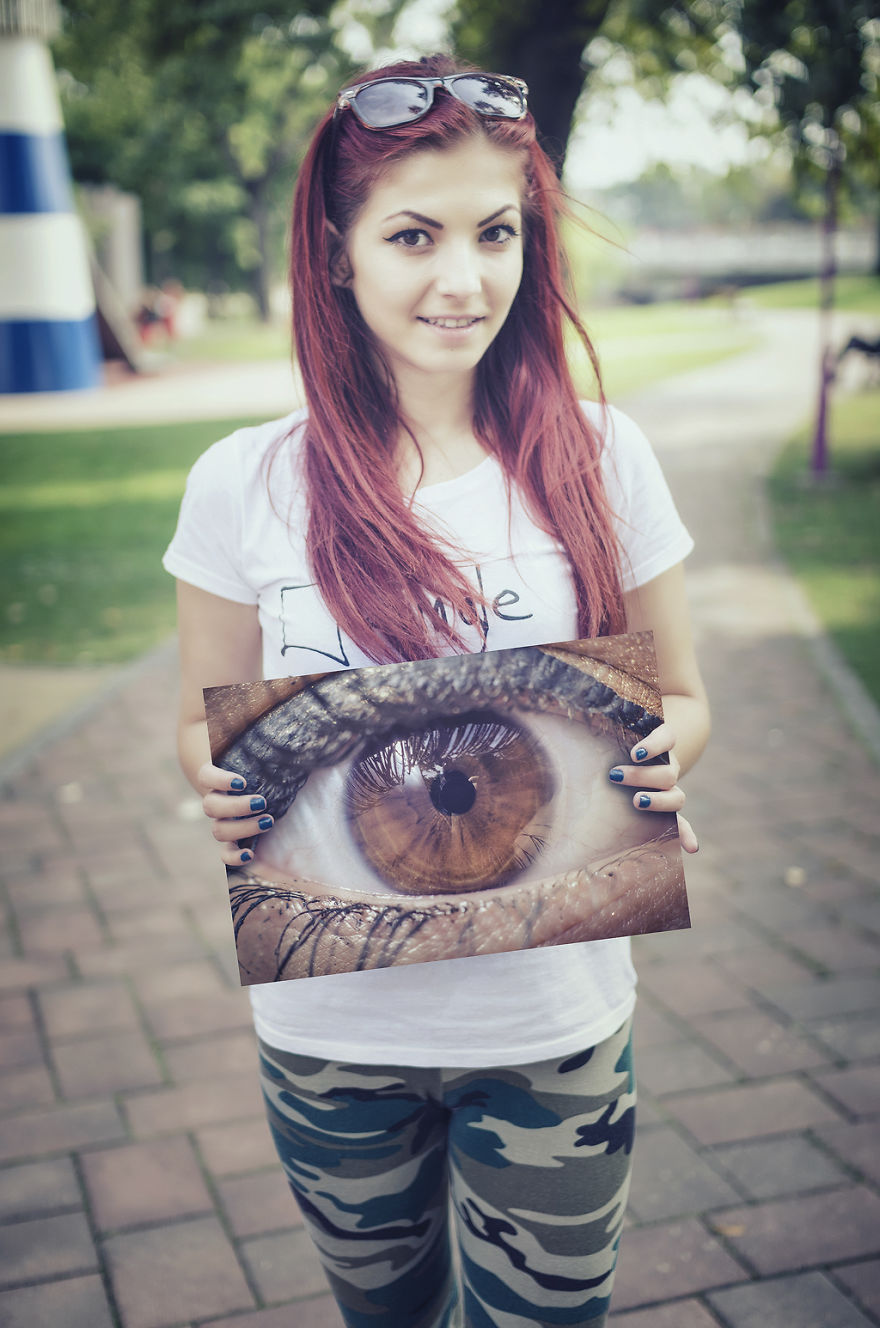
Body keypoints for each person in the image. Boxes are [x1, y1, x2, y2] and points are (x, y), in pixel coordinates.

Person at [163, 53, 710, 1328]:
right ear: (337, 251)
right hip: (329, 1028)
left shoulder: (602, 453)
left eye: (494, 231)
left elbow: (681, 691)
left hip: (553, 1024)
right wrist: (214, 781)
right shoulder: (240, 484)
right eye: (413, 233)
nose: (462, 278)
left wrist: (654, 759)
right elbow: (202, 722)